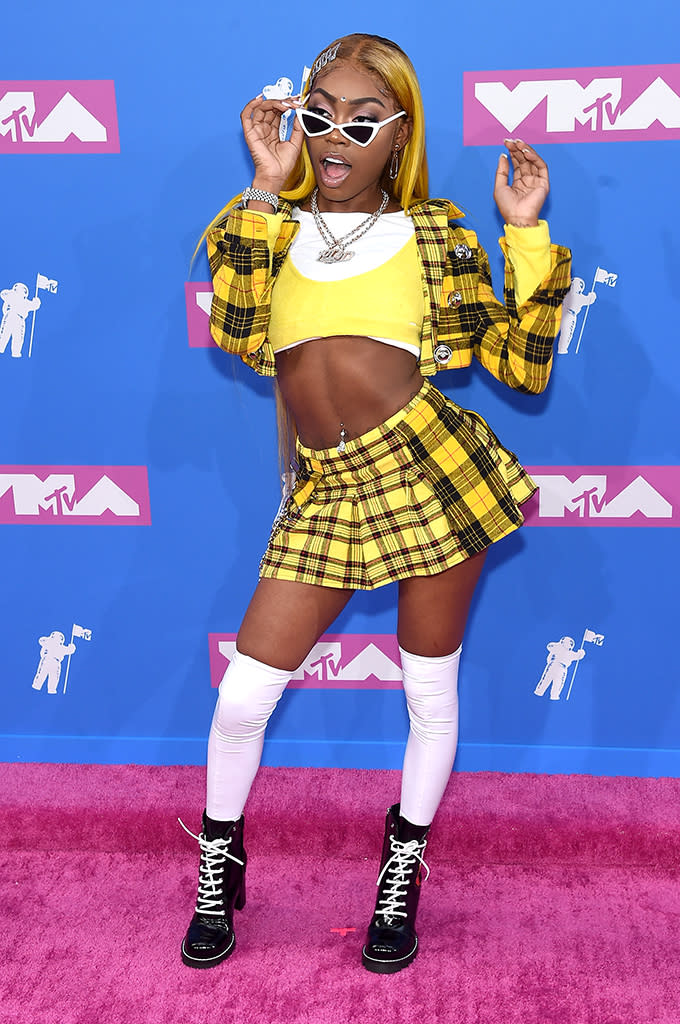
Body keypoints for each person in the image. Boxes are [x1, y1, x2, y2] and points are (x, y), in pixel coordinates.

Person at [181, 33, 571, 974]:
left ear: (400, 134)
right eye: (318, 119)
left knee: (426, 688)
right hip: (325, 488)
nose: (334, 138)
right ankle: (220, 859)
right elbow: (236, 330)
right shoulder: (273, 227)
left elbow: (522, 366)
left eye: (361, 122)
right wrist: (268, 185)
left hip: (428, 472)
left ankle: (402, 868)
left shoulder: (435, 233)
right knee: (242, 698)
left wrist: (524, 232)